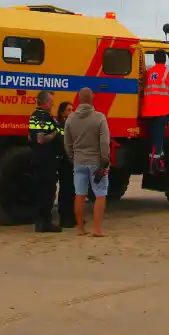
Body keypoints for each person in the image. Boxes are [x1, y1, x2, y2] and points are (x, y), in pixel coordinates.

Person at [64, 87, 111, 236]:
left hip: (79, 161)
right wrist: (105, 159)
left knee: (79, 193)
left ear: (78, 99)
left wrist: (72, 156)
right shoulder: (99, 118)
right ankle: (97, 229)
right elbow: (104, 142)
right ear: (92, 99)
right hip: (96, 161)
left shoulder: (70, 119)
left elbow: (67, 143)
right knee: (100, 193)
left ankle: (80, 228)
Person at [27, 90, 62, 233]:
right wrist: (55, 133)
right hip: (46, 158)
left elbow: (30, 137)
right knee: (47, 191)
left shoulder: (34, 116)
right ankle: (45, 223)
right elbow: (41, 139)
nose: (52, 104)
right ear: (45, 102)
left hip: (37, 156)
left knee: (39, 190)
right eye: (51, 101)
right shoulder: (44, 117)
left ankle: (39, 222)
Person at [141, 50, 169, 174]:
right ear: (165, 60)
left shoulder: (148, 72)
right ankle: (155, 165)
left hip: (147, 111)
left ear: (154, 59)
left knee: (155, 137)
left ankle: (157, 158)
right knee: (158, 139)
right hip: (163, 110)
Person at [55, 101, 77, 229]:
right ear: (62, 112)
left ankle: (72, 217)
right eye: (68, 110)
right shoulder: (61, 126)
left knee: (73, 190)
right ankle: (65, 218)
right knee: (66, 190)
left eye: (72, 109)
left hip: (72, 161)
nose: (71, 112)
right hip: (65, 161)